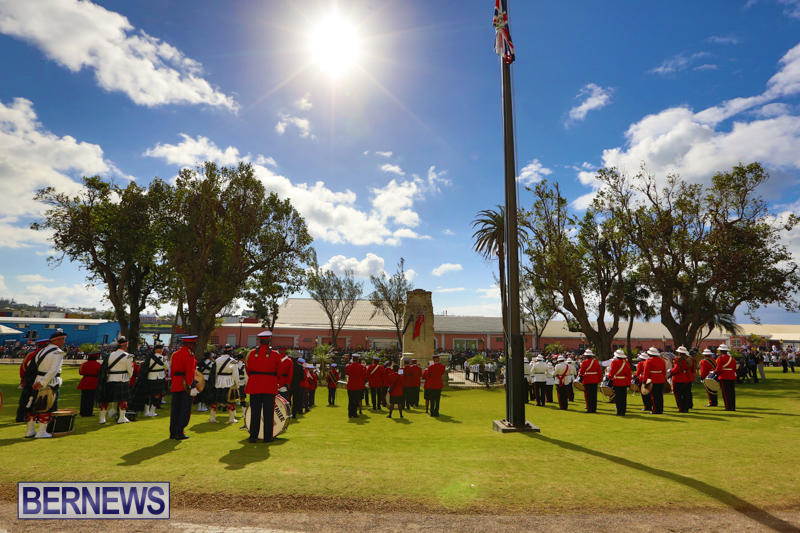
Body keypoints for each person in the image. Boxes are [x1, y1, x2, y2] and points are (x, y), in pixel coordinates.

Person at [23, 330, 67, 438]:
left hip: (37, 380)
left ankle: (30, 431)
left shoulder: (41, 351)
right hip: (50, 382)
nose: (64, 342)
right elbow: (53, 370)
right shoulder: (58, 352)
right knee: (46, 406)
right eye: (63, 339)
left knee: (33, 406)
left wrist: (39, 381)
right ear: (57, 340)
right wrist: (43, 382)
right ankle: (41, 432)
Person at [245, 331, 281, 443]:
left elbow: (247, 369)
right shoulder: (275, 354)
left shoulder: (251, 353)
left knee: (255, 412)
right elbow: (279, 371)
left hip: (255, 385)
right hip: (269, 386)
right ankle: (267, 437)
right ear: (269, 341)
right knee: (268, 413)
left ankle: (253, 436)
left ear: (259, 341)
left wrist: (256, 377)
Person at [169, 335, 198, 440]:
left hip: (176, 383)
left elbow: (171, 370)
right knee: (184, 409)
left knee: (175, 409)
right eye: (194, 344)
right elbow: (190, 371)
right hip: (185, 384)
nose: (194, 346)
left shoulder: (175, 354)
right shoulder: (189, 355)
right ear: (189, 344)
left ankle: (173, 432)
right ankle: (179, 432)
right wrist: (190, 385)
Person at [99, 337, 134, 424]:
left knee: (105, 399)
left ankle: (102, 418)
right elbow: (130, 370)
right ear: (125, 345)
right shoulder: (128, 356)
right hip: (122, 379)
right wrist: (129, 377)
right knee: (123, 399)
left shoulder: (110, 355)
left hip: (110, 379)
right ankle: (121, 418)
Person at [209, 343, 240, 424]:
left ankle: (212, 418)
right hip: (229, 382)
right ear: (231, 352)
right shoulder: (233, 361)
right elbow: (235, 374)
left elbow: (214, 373)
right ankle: (231, 419)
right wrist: (237, 384)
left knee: (215, 401)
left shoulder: (217, 360)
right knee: (231, 401)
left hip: (218, 382)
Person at [141, 343, 167, 417]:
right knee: (156, 395)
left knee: (148, 394)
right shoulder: (163, 358)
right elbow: (166, 367)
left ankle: (146, 411)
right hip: (159, 378)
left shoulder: (149, 357)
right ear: (160, 350)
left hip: (149, 377)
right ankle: (152, 411)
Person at [642, 346, 667, 414]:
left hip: (653, 380)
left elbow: (646, 372)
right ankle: (660, 409)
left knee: (654, 396)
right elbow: (664, 372)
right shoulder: (662, 360)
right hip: (661, 379)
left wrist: (644, 380)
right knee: (660, 396)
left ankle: (655, 410)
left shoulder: (649, 361)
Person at [77, 352, 102, 417]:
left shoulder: (84, 364)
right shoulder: (98, 364)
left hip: (85, 381)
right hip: (94, 382)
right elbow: (100, 373)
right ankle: (89, 412)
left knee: (84, 398)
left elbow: (80, 372)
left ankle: (82, 412)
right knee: (91, 399)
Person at [608, 349, 632, 416]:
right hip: (624, 382)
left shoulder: (614, 362)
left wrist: (610, 378)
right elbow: (629, 374)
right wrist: (628, 383)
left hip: (617, 382)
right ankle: (623, 411)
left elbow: (611, 373)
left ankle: (619, 412)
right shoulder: (626, 363)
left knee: (618, 398)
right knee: (623, 398)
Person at [669, 346, 692, 413]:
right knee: (685, 395)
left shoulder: (677, 359)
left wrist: (671, 371)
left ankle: (681, 408)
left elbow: (676, 369)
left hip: (678, 379)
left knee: (678, 395)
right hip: (686, 378)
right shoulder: (688, 359)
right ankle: (686, 408)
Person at [715, 344, 737, 411]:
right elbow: (734, 368)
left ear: (721, 351)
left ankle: (728, 407)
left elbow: (718, 369)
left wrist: (715, 372)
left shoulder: (720, 358)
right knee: (732, 392)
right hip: (732, 376)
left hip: (724, 376)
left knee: (725, 393)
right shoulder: (732, 358)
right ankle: (733, 406)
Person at [345, 353, 367, 418]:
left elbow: (347, 374)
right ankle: (354, 413)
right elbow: (364, 376)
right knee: (356, 400)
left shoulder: (348, 366)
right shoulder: (361, 367)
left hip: (350, 386)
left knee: (350, 400)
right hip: (358, 386)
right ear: (358, 359)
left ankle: (350, 413)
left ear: (352, 359)